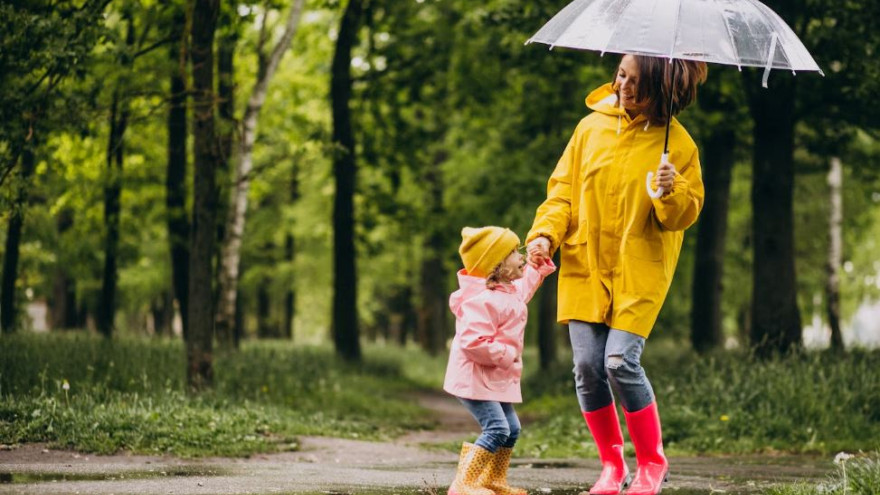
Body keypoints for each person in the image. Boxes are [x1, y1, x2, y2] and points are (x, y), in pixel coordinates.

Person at [526, 55, 707, 495]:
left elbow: (682, 217)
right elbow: (562, 193)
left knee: (620, 362)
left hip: (638, 268)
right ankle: (611, 465)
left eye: (637, 83)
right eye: (621, 76)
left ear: (662, 91)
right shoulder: (589, 129)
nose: (624, 87)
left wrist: (672, 190)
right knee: (587, 367)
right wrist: (544, 235)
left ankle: (652, 463)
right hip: (585, 264)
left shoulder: (678, 146)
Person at [444, 226, 556, 495]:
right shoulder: (481, 300)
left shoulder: (508, 291)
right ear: (498, 266)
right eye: (514, 253)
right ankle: (463, 485)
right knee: (496, 428)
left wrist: (536, 266)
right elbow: (472, 342)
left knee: (512, 429)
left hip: (493, 378)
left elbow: (525, 286)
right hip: (474, 378)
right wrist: (506, 355)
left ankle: (493, 480)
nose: (521, 256)